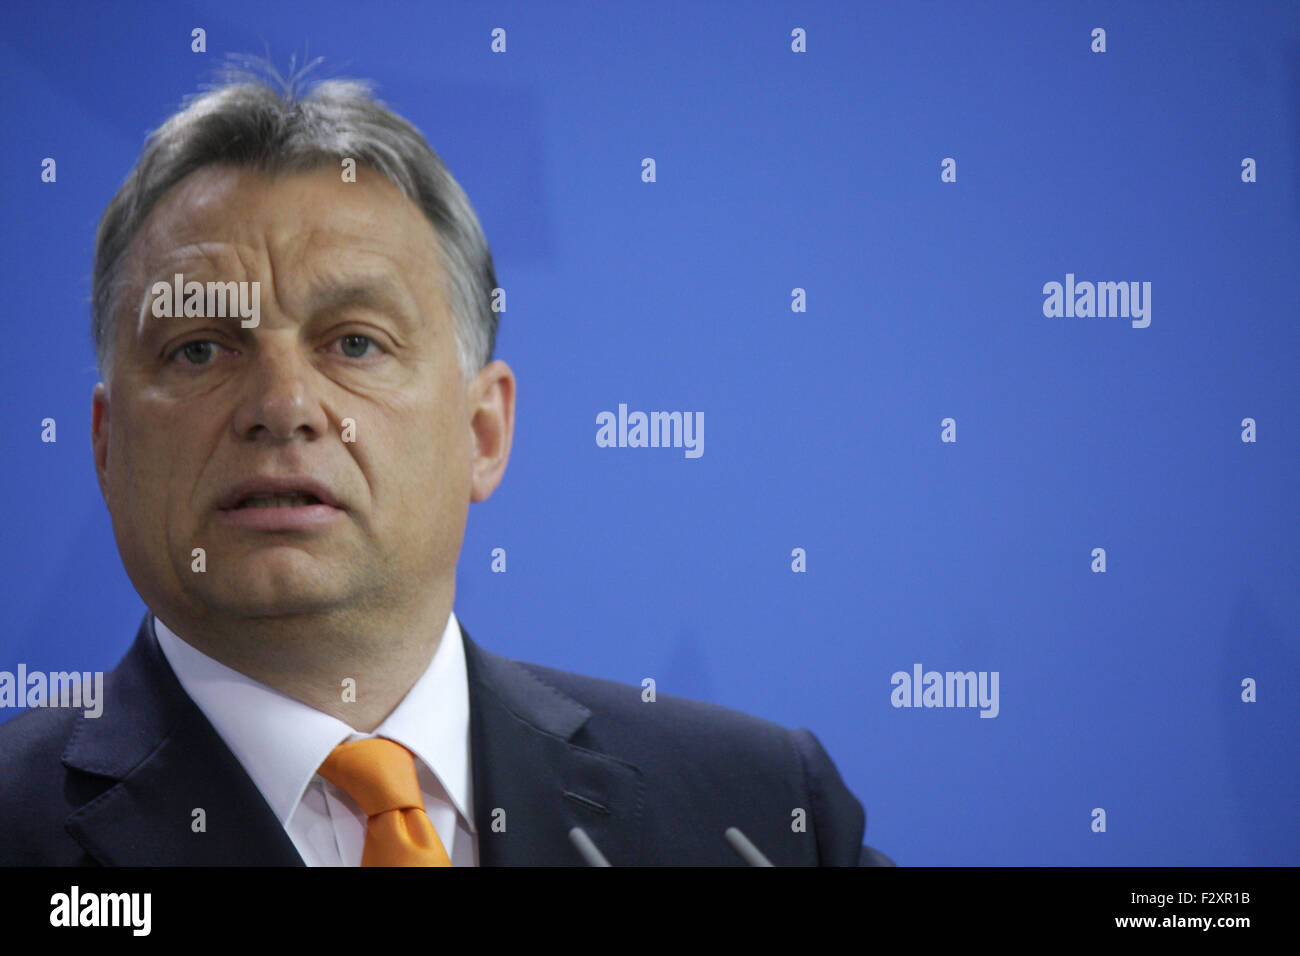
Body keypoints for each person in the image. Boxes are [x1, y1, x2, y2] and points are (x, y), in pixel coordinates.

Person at [0, 56, 893, 867]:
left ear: (483, 433)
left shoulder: (765, 816)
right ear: (107, 446)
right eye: (198, 350)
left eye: (355, 342)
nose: (282, 407)